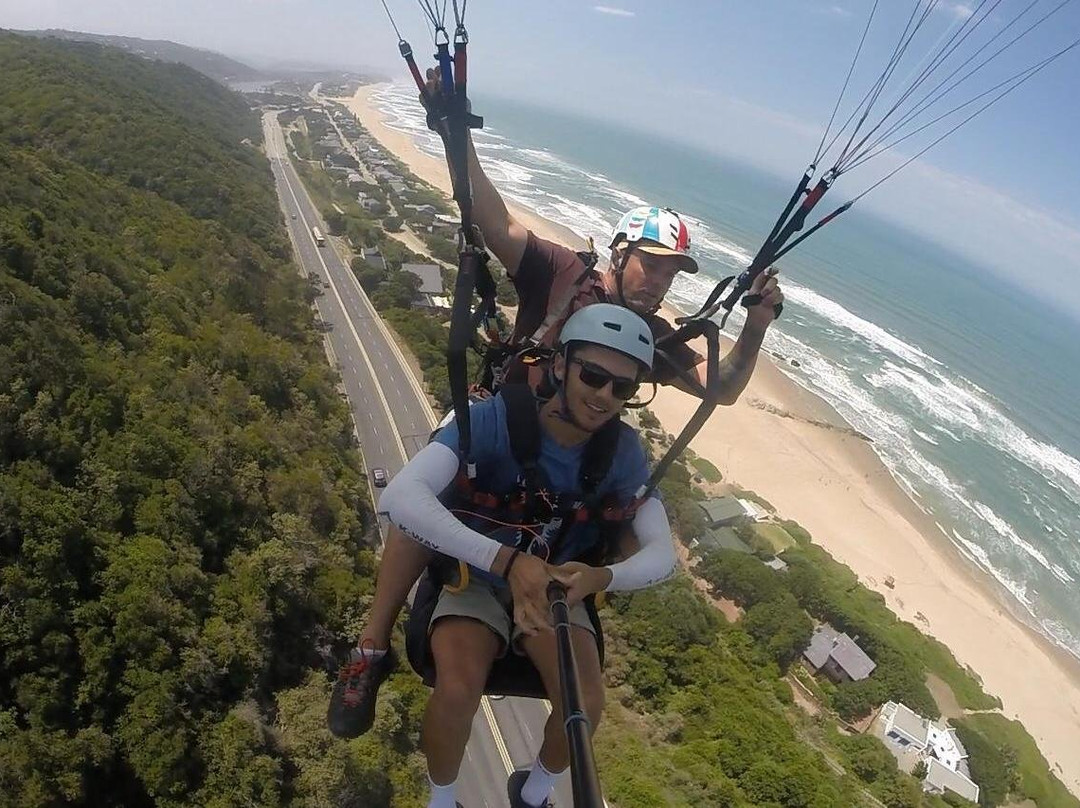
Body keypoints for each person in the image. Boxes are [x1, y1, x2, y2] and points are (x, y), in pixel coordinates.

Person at [326, 90, 784, 739]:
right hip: (504, 436)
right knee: (426, 489)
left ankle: (561, 631)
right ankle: (369, 648)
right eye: (649, 264)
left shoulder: (651, 338)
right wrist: (457, 134)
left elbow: (722, 389)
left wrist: (757, 326)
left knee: (629, 516)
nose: (657, 282)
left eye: (670, 274)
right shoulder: (564, 275)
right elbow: (495, 223)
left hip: (569, 466)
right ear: (621, 254)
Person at [377, 304, 677, 808]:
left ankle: (534, 791)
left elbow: (663, 554)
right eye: (593, 376)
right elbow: (401, 498)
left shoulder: (621, 454)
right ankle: (442, 800)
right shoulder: (495, 419)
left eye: (621, 388)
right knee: (457, 690)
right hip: (476, 577)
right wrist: (508, 563)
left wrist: (600, 577)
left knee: (584, 704)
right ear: (560, 366)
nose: (604, 396)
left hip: (558, 585)